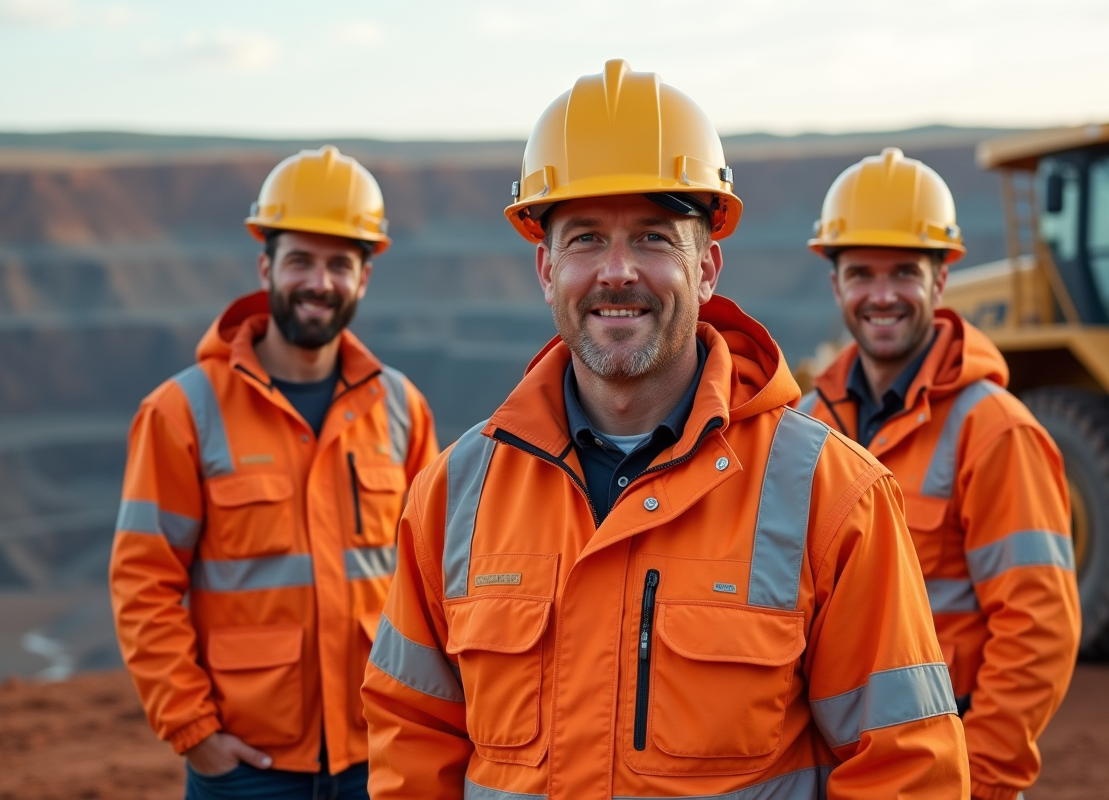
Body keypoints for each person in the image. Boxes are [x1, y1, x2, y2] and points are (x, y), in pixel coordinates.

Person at [361, 60, 968, 800]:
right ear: (545, 268)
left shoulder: (832, 495)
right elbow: (410, 738)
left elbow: (906, 769)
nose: (618, 272)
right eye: (585, 239)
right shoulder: (453, 496)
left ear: (706, 267)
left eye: (652, 238)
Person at [110, 145, 440, 800]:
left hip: (380, 755)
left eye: (339, 264)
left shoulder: (401, 408)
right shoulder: (185, 411)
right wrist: (195, 735)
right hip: (247, 770)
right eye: (300, 261)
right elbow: (143, 583)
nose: (319, 282)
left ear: (364, 278)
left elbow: (438, 580)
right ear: (266, 266)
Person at [801, 148, 1081, 800]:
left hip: (946, 768)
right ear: (836, 282)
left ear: (939, 281)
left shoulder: (995, 429)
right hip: (831, 768)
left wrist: (976, 780)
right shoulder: (806, 427)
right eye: (862, 273)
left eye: (904, 271)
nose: (882, 295)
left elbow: (1039, 629)